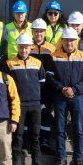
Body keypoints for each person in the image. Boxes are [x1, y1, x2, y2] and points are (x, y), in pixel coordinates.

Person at [48, 28, 83, 165]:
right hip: (60, 97)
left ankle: (78, 159)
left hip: (77, 97)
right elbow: (49, 76)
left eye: (72, 40)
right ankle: (61, 158)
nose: (69, 43)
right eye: (66, 40)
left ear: (77, 41)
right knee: (60, 129)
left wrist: (74, 89)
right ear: (62, 41)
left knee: (78, 130)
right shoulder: (54, 56)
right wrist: (61, 88)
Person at [3, 33, 46, 165]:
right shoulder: (9, 63)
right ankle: (17, 161)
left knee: (35, 134)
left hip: (35, 104)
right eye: (21, 47)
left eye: (26, 47)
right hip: (19, 104)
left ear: (31, 47)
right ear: (17, 47)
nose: (24, 50)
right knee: (18, 134)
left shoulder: (38, 63)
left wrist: (39, 99)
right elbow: (6, 85)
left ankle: (36, 161)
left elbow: (42, 82)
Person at [62, 11, 83, 139]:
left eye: (78, 25)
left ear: (82, 25)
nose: (75, 27)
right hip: (66, 77)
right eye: (73, 24)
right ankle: (65, 131)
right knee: (65, 107)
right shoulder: (63, 39)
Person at [29, 18, 58, 153]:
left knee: (46, 115)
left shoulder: (52, 48)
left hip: (47, 88)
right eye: (36, 31)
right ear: (32, 32)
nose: (38, 34)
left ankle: (44, 142)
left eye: (41, 31)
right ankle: (30, 143)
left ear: (45, 32)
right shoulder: (28, 46)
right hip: (31, 87)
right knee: (32, 116)